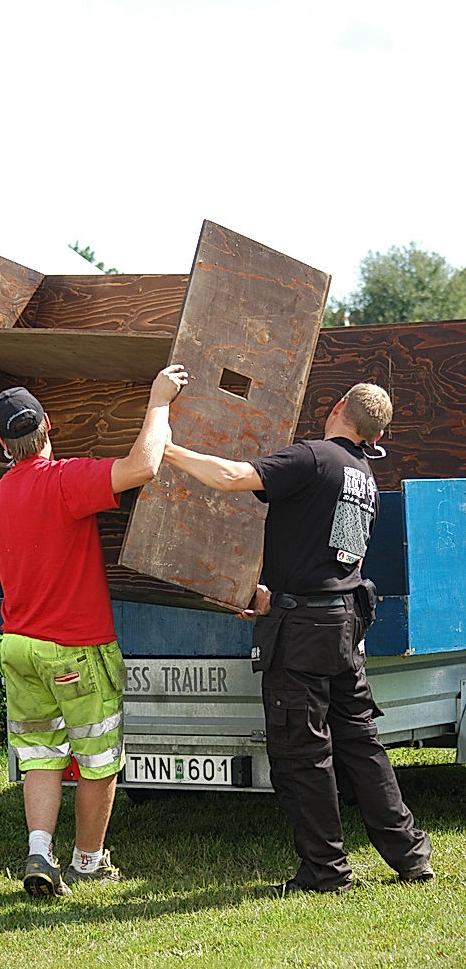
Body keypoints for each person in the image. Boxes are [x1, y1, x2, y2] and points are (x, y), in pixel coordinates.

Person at [164, 382, 433, 893]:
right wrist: (280, 593)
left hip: (305, 632)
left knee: (302, 753)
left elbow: (231, 476)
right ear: (375, 433)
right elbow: (336, 556)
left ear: (336, 410)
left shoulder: (314, 458)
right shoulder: (363, 476)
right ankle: (411, 857)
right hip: (342, 625)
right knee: (361, 746)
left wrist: (169, 449)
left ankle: (325, 872)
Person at [0, 364, 188, 898]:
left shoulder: (0, 495)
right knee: (98, 760)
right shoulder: (63, 481)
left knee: (40, 754)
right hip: (75, 648)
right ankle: (89, 861)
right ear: (48, 424)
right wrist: (158, 401)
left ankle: (38, 851)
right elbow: (143, 466)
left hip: (19, 646)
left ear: (2, 443)